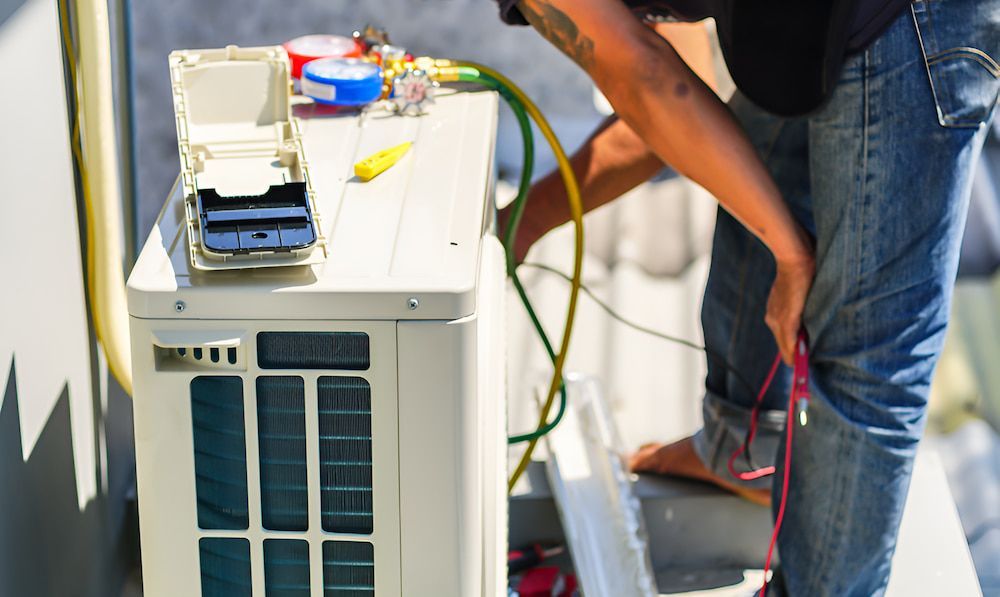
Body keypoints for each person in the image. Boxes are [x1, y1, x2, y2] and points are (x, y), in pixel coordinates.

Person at [494, 0, 1000, 594]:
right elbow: (678, 94)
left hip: (907, 21)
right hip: (804, 24)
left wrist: (522, 223)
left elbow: (649, 83)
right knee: (751, 155)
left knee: (866, 352)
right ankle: (745, 450)